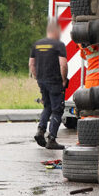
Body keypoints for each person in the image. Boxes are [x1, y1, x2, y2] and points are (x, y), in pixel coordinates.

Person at [29, 18, 68, 150]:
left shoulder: (37, 44)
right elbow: (63, 64)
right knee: (57, 110)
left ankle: (40, 130)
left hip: (42, 81)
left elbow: (31, 64)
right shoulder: (58, 45)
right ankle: (51, 139)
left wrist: (37, 77)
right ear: (56, 31)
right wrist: (64, 79)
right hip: (55, 81)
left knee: (47, 106)